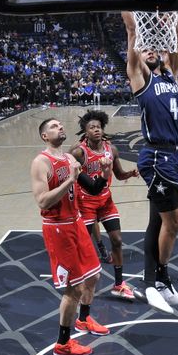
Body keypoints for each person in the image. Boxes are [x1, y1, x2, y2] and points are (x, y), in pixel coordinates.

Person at [121, 0, 178, 314]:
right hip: (156, 156)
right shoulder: (140, 80)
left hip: (175, 156)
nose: (149, 50)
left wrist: (172, 11)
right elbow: (132, 29)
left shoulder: (171, 76)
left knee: (157, 221)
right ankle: (157, 279)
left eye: (152, 49)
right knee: (173, 222)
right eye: (143, 51)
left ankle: (156, 281)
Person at [31, 118, 113, 355]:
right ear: (45, 135)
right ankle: (63, 344)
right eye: (54, 126)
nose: (61, 127)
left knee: (94, 275)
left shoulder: (69, 159)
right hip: (57, 228)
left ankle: (84, 319)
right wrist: (70, 179)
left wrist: (105, 173)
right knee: (73, 290)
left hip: (76, 222)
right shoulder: (41, 162)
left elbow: (94, 188)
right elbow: (42, 201)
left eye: (61, 125)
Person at [70, 110, 140, 301]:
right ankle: (78, 280)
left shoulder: (112, 150)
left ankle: (118, 284)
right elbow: (84, 183)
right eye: (91, 127)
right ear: (85, 131)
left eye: (98, 127)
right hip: (85, 202)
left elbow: (119, 175)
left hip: (105, 201)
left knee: (117, 240)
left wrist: (131, 174)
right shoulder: (78, 152)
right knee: (82, 246)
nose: (96, 130)